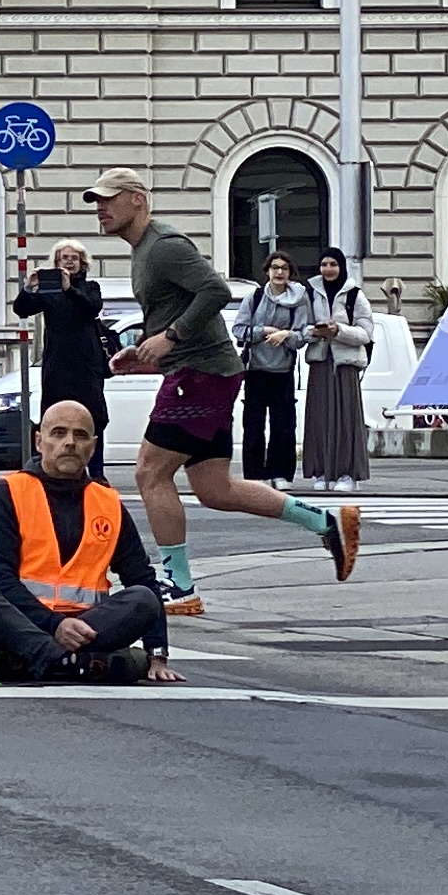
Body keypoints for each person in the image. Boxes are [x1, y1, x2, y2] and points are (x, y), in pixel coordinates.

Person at [82, 168, 358, 615]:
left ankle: (180, 587)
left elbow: (215, 290)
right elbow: (182, 310)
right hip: (203, 372)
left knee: (149, 474)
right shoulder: (145, 250)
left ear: (138, 199)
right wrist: (144, 352)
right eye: (96, 201)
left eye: (108, 199)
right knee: (215, 490)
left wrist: (170, 337)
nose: (100, 208)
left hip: (201, 375)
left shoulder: (164, 246)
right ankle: (328, 523)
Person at [0, 398, 177, 684]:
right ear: (39, 442)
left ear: (92, 447)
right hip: (20, 623)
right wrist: (54, 625)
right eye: (59, 433)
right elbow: (1, 579)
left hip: (87, 629)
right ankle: (66, 660)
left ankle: (42, 660)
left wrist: (157, 653)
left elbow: (142, 580)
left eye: (80, 435)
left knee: (142, 599)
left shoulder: (108, 503)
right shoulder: (7, 492)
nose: (69, 442)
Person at [232, 250, 311, 483]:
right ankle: (254, 476)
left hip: (283, 371)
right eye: (274, 267)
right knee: (254, 427)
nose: (279, 272)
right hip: (256, 371)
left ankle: (280, 473)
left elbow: (303, 335)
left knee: (283, 426)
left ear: (290, 273)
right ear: (267, 271)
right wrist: (263, 331)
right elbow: (238, 330)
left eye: (284, 268)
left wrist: (286, 335)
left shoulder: (299, 300)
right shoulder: (255, 297)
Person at [300, 246, 374, 490]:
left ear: (341, 267)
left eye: (333, 264)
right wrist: (316, 332)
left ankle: (347, 474)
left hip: (345, 365)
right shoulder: (311, 294)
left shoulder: (355, 295)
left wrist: (339, 331)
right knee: (319, 419)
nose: (328, 269)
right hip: (320, 362)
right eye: (324, 265)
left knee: (346, 420)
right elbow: (301, 328)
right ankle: (323, 472)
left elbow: (366, 333)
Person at [12, 245, 112, 427]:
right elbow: (22, 309)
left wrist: (69, 289)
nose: (69, 261)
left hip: (86, 365)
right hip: (57, 366)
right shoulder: (50, 292)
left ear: (82, 263)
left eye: (74, 258)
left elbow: (92, 307)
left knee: (91, 419)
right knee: (57, 417)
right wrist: (28, 287)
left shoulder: (90, 287)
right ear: (57, 263)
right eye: (64, 257)